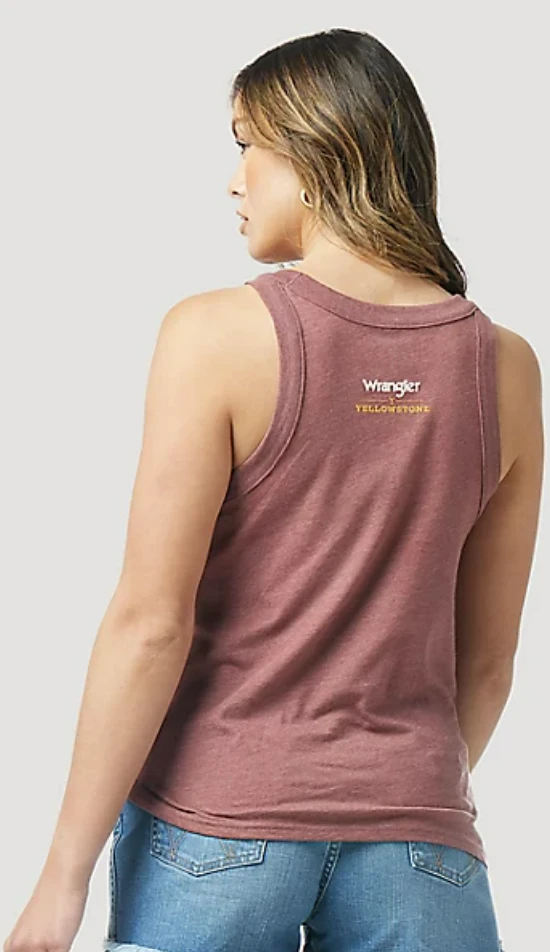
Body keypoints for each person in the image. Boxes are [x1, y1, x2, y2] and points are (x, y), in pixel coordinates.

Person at [4, 27, 542, 952]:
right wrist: (393, 787)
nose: (234, 180)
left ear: (319, 152)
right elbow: (489, 661)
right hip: (421, 847)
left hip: (216, 832)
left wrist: (62, 878)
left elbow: (151, 625)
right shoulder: (507, 368)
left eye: (247, 144)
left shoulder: (215, 336)